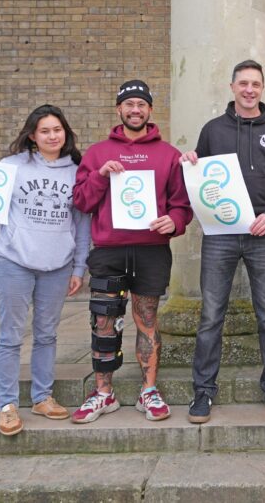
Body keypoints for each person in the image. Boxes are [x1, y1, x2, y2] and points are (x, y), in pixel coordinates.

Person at [0, 104, 90, 436]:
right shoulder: (10, 167)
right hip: (15, 262)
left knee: (47, 334)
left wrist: (79, 266)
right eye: (44, 131)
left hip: (57, 265)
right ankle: (8, 405)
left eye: (57, 129)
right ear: (32, 135)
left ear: (66, 133)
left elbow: (82, 224)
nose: (52, 136)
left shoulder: (77, 170)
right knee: (10, 336)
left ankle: (43, 397)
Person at [182, 60, 265, 423]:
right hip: (220, 236)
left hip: (262, 234)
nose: (250, 90)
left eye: (256, 84)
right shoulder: (213, 130)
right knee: (211, 315)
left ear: (262, 89)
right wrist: (190, 162)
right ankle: (203, 392)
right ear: (232, 87)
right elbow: (200, 175)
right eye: (243, 83)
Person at [71, 79, 193, 424]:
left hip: (151, 250)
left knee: (148, 319)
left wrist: (175, 221)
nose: (135, 110)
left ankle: (148, 390)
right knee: (103, 321)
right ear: (118, 110)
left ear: (150, 110)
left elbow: (182, 205)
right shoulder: (97, 153)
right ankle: (103, 393)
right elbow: (81, 201)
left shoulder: (168, 154)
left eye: (141, 104)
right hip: (109, 248)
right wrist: (100, 176)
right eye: (129, 104)